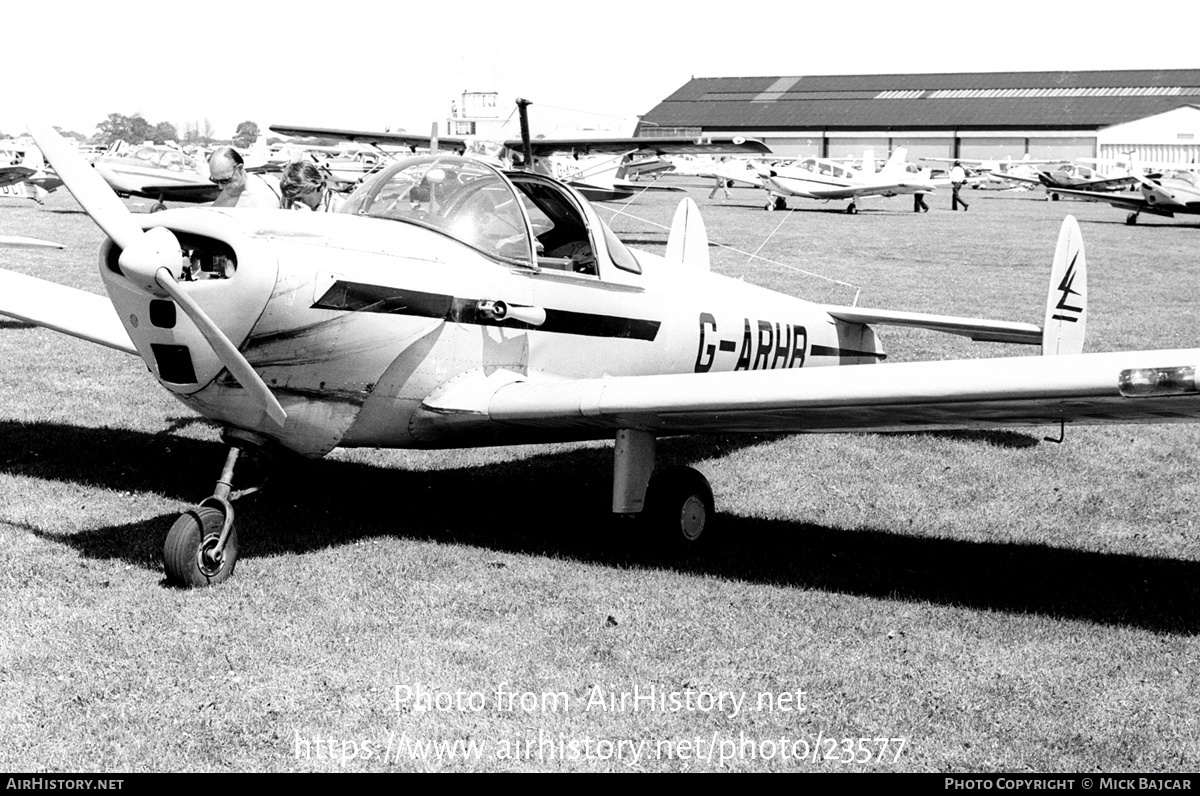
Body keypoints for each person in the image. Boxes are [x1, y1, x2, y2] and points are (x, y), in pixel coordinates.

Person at [208, 146, 281, 208]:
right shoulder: (222, 203)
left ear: (239, 169)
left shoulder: (271, 184)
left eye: (225, 180)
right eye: (215, 181)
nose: (220, 187)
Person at [279, 160, 345, 213]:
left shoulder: (337, 207)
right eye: (291, 199)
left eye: (299, 199)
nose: (295, 203)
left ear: (320, 188)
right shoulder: (287, 200)